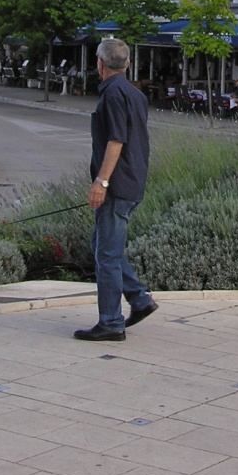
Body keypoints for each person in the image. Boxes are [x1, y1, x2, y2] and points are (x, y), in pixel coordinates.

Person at [75, 38, 158, 342]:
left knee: (107, 255)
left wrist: (101, 182)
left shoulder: (112, 95)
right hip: (133, 182)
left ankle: (111, 321)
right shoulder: (135, 94)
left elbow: (116, 140)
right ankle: (139, 299)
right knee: (101, 244)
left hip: (117, 185)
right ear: (127, 64)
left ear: (100, 64)